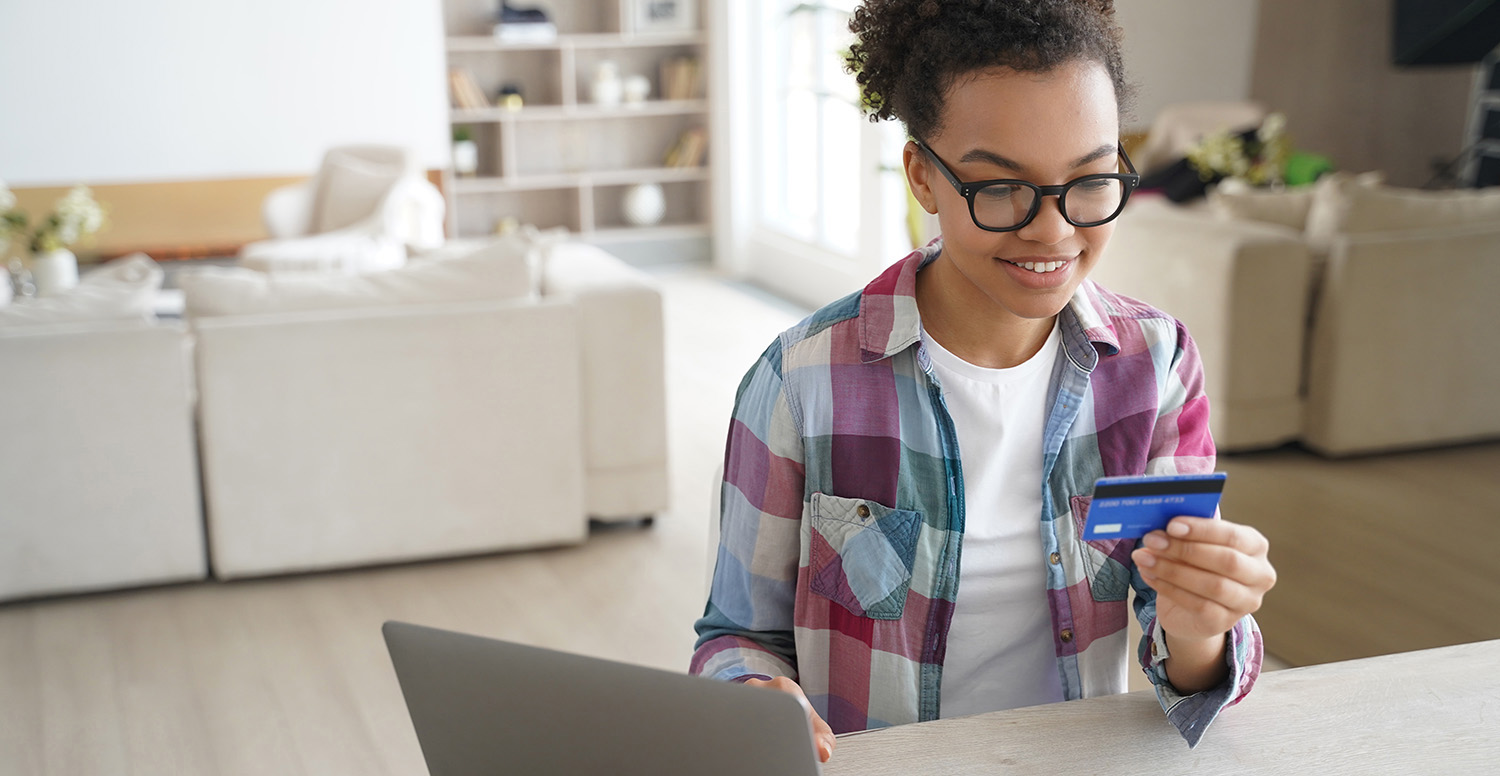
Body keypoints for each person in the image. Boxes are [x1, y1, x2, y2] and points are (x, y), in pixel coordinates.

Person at [692, 0, 1276, 763]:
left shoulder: (1154, 365)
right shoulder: (800, 382)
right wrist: (752, 695)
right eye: (1001, 188)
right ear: (923, 179)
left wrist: (1201, 622)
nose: (1054, 230)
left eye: (1091, 179)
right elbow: (734, 638)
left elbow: (1184, 654)